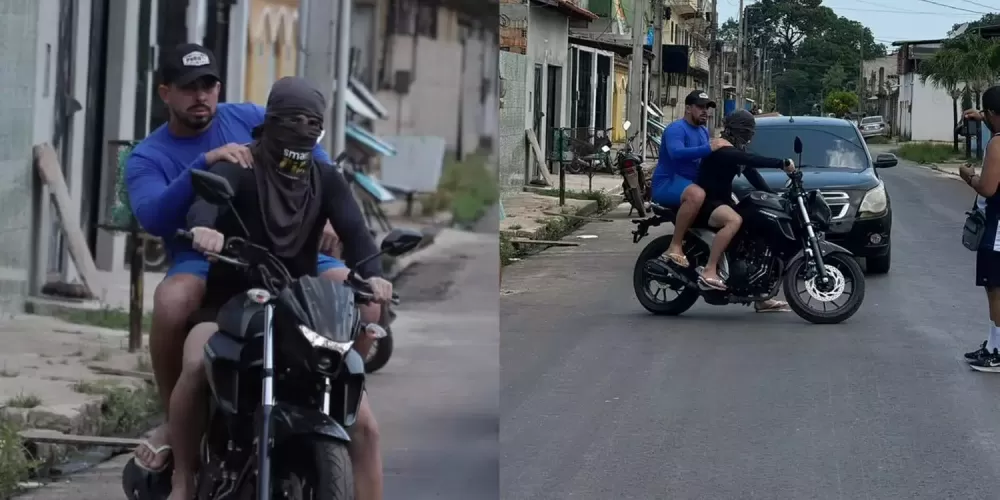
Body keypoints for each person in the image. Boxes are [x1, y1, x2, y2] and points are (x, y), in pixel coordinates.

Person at [123, 44, 383, 495]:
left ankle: (335, 378)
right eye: (188, 88)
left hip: (295, 259)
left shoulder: (290, 151)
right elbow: (163, 216)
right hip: (219, 258)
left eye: (208, 85)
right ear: (166, 93)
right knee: (176, 309)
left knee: (360, 302)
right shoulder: (157, 157)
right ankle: (179, 453)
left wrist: (361, 258)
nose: (200, 96)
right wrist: (205, 168)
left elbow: (343, 212)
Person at [690, 110, 796, 297]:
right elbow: (751, 160)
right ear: (738, 130)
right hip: (708, 203)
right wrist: (782, 163)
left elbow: (753, 175)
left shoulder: (736, 151)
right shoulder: (723, 149)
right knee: (734, 221)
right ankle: (710, 269)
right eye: (748, 131)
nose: (750, 136)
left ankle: (761, 296)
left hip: (723, 201)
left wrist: (774, 198)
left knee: (755, 226)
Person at [649, 90, 731, 267]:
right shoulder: (676, 129)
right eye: (700, 107)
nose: (705, 112)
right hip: (668, 183)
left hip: (689, 183)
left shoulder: (702, 131)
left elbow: (707, 157)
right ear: (688, 108)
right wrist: (710, 147)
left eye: (707, 108)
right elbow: (676, 153)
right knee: (697, 195)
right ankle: (675, 245)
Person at [958, 90, 1000, 371]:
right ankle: (994, 343)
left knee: (995, 289)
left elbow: (987, 187)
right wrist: (980, 114)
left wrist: (968, 176)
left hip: (997, 229)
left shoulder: (998, 144)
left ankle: (998, 351)